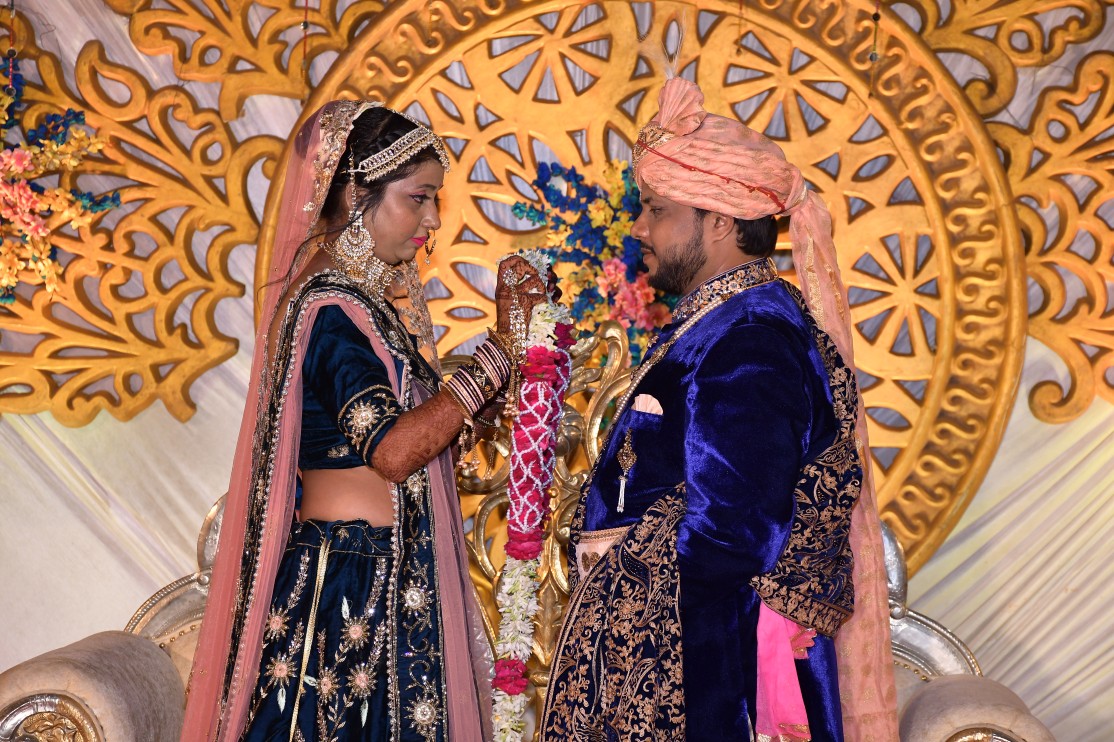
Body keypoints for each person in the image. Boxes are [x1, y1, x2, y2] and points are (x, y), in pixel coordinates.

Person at [540, 79, 899, 741]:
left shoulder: (751, 336)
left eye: (657, 210)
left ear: (722, 221)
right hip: (689, 655)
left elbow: (735, 533)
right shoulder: (723, 321)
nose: (640, 229)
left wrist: (623, 581)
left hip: (713, 676)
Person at [181, 101, 547, 741]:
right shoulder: (331, 307)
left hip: (377, 570)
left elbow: (417, 434)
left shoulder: (359, 305)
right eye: (419, 198)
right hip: (350, 583)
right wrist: (497, 356)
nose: (433, 219)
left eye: (435, 200)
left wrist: (500, 380)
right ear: (356, 194)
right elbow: (392, 452)